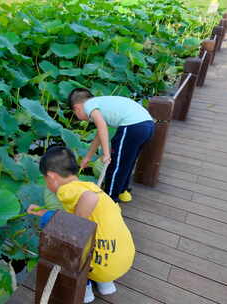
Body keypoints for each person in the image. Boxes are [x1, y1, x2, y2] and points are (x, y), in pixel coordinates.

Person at [28, 147, 135, 303]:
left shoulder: (66, 190)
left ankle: (85, 289)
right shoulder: (88, 185)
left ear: (52, 176)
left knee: (61, 234)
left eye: (45, 179)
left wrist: (76, 221)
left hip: (99, 266)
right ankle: (105, 285)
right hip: (123, 259)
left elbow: (88, 200)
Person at [68, 88, 154, 203]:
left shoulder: (88, 105)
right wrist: (87, 157)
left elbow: (102, 126)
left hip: (132, 126)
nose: (78, 117)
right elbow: (100, 133)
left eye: (75, 115)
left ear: (77, 108)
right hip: (148, 124)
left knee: (115, 165)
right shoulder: (99, 103)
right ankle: (123, 191)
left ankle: (110, 201)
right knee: (127, 162)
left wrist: (106, 154)